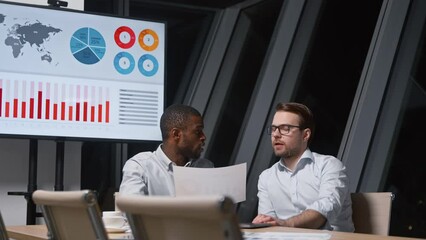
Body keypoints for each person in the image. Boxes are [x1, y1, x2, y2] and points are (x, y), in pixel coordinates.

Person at [252, 102, 354, 232]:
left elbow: (323, 211)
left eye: (285, 128)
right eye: (273, 128)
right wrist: (264, 223)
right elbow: (268, 222)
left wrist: (285, 224)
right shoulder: (266, 177)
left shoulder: (329, 166)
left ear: (305, 135)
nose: (276, 134)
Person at [119, 104, 214, 196]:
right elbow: (130, 210)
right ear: (176, 134)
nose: (203, 137)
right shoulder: (141, 167)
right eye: (198, 132)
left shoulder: (205, 167)